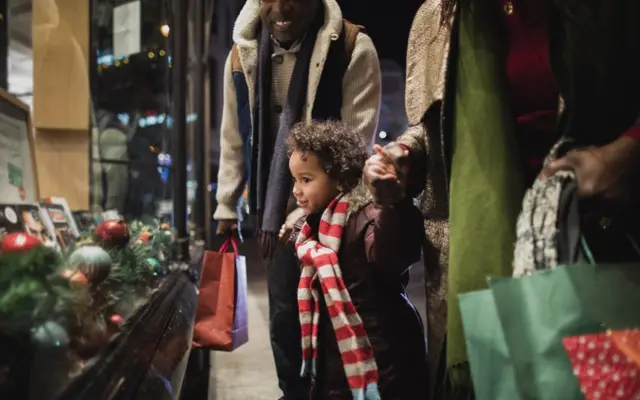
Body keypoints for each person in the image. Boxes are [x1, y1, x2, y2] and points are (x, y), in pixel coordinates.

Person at [363, 0, 640, 398]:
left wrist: (629, 154)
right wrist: (404, 156)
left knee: (596, 387)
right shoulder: (438, 18)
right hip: (478, 263)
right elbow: (433, 128)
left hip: (599, 250)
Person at [214, 0, 382, 398]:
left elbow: (358, 148)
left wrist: (318, 215)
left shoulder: (353, 47)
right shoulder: (241, 55)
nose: (282, 7)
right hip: (274, 217)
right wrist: (227, 204)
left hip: (335, 219)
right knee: (285, 320)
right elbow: (233, 137)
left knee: (335, 320)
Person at [280, 121, 428, 400]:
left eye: (307, 180)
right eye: (295, 180)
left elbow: (393, 253)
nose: (297, 190)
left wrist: (392, 203)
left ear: (339, 179)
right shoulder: (312, 230)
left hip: (382, 363)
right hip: (336, 367)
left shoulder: (366, 216)